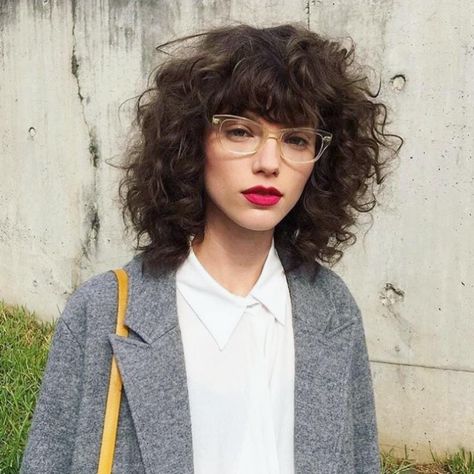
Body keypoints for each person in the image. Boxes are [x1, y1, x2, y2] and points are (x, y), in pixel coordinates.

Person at [21, 23, 400, 473]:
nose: (268, 163)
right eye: (241, 131)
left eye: (296, 139)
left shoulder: (332, 309)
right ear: (192, 141)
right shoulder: (104, 311)